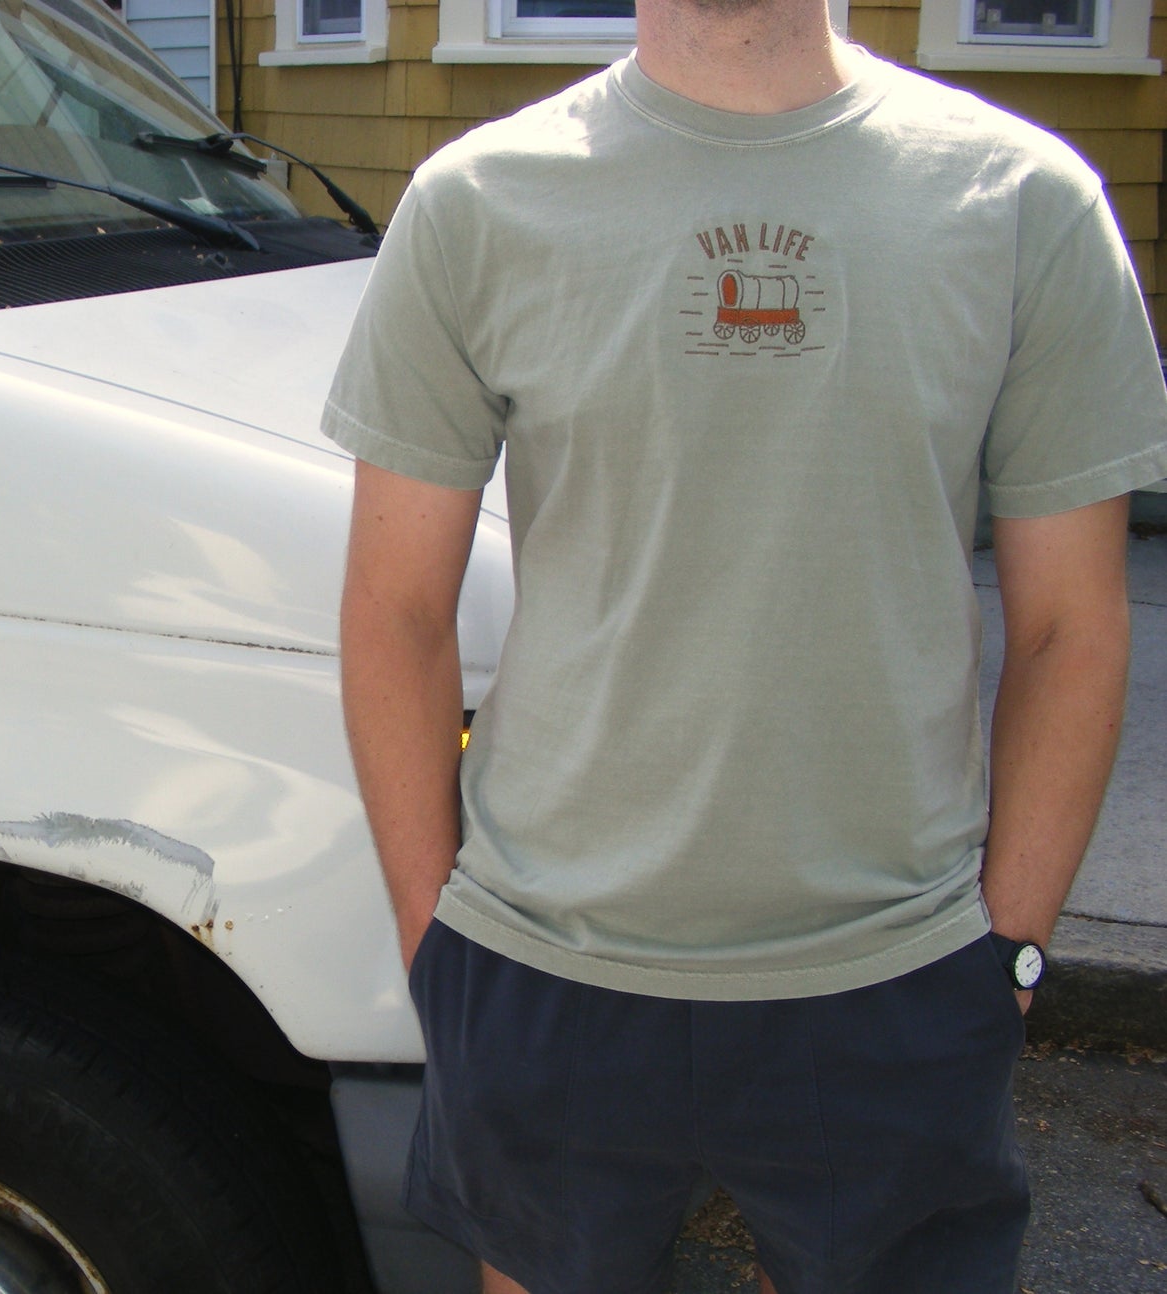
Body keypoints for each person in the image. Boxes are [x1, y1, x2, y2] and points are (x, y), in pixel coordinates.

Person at [323, 0, 1167, 1287]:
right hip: (551, 957)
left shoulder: (1019, 199)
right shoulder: (478, 200)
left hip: (895, 966)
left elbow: (1068, 626)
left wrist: (1012, 949)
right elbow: (392, 609)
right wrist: (432, 943)